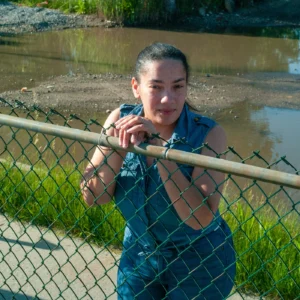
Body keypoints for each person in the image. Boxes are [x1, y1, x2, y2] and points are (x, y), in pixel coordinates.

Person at [81, 42, 236, 299]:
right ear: (136, 88)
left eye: (178, 87)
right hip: (139, 255)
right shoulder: (119, 117)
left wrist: (159, 150)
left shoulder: (209, 134)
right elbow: (93, 197)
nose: (168, 99)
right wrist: (120, 144)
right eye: (155, 87)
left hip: (200, 259)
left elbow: (200, 219)